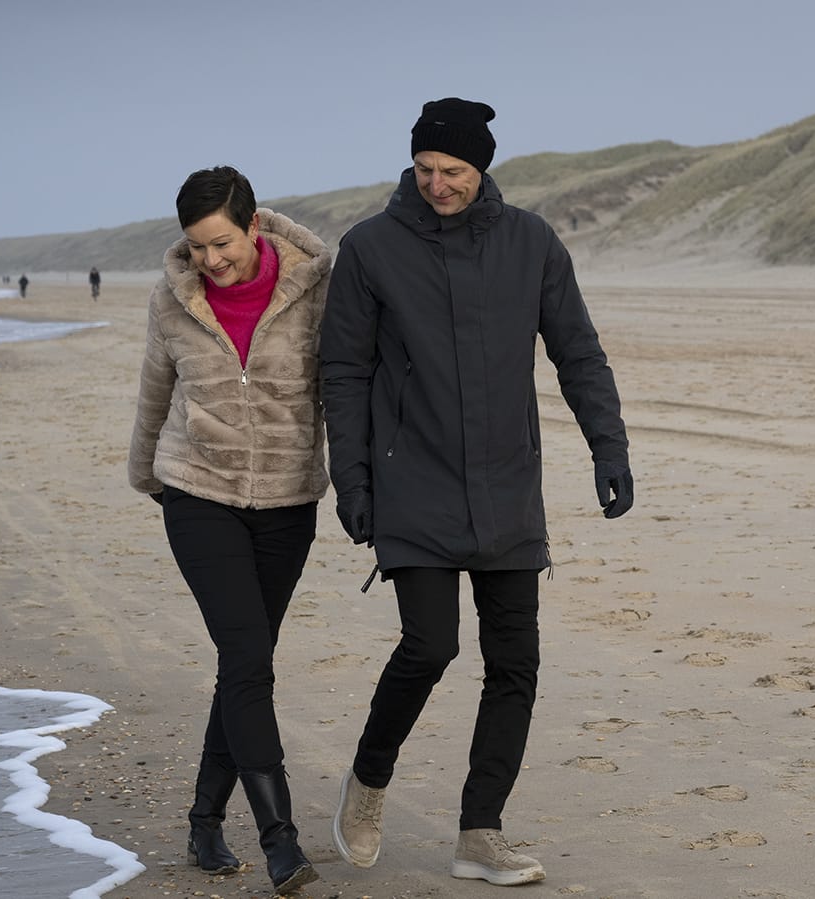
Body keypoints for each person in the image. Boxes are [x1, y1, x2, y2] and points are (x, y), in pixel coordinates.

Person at [319, 97, 634, 886]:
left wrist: (609, 444)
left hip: (507, 483)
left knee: (514, 661)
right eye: (425, 169)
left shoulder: (532, 242)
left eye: (452, 170)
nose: (437, 184)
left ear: (482, 165)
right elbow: (345, 372)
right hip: (413, 479)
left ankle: (480, 832)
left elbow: (578, 352)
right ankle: (368, 781)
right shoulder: (370, 248)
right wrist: (350, 478)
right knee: (430, 644)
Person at [128, 165, 331, 894]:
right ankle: (280, 839)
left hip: (287, 499)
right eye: (196, 246)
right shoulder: (174, 297)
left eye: (222, 244)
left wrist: (363, 483)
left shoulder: (314, 288)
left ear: (253, 226)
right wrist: (146, 474)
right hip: (198, 491)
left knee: (243, 663)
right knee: (248, 656)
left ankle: (205, 819)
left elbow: (339, 388)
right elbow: (157, 383)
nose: (211, 261)